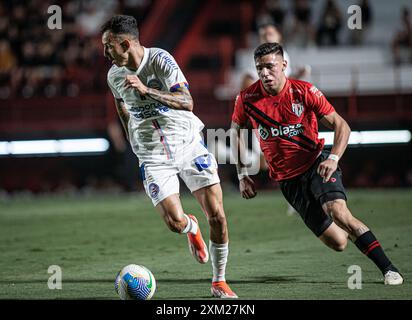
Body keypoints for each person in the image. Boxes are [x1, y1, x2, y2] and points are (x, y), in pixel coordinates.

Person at [230, 42, 404, 285]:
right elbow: (235, 132)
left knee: (338, 212)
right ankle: (355, 234)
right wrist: (242, 175)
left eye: (270, 67)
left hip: (317, 166)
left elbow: (341, 125)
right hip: (288, 181)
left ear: (284, 65)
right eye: (260, 68)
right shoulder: (247, 99)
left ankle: (389, 269)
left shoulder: (305, 92)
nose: (264, 73)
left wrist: (333, 158)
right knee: (339, 243)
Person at [101, 15, 237, 298]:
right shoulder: (114, 75)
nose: (105, 53)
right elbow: (121, 105)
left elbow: (187, 102)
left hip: (188, 145)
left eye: (108, 46)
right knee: (175, 222)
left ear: (125, 43)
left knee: (218, 217)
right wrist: (132, 138)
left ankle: (219, 281)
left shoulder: (160, 60)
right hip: (152, 155)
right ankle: (190, 227)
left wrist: (147, 90)